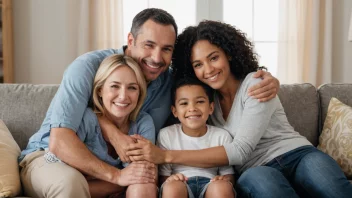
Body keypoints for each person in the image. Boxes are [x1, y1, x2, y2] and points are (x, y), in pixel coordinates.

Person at [19, 8, 279, 196]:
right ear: (130, 40)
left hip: (121, 170)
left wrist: (260, 77)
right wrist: (116, 172)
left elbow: (202, 89)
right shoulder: (87, 68)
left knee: (145, 182)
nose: (157, 58)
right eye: (149, 45)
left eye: (167, 49)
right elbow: (59, 141)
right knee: (68, 184)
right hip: (53, 158)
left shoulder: (167, 82)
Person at [126, 20, 352, 198]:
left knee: (335, 190)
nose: (208, 70)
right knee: (267, 187)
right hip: (255, 170)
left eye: (213, 58)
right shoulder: (204, 103)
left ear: (229, 54)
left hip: (298, 154)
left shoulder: (256, 85)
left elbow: (240, 150)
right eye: (198, 64)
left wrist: (165, 155)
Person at [20, 54, 157, 197]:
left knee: (144, 183)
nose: (123, 96)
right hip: (48, 161)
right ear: (100, 90)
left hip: (87, 183)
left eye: (132, 88)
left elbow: (140, 175)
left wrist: (104, 177)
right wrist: (118, 178)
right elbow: (65, 169)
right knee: (71, 181)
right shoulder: (87, 119)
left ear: (140, 92)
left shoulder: (143, 123)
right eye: (115, 86)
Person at [158, 77, 235, 198]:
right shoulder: (166, 134)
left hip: (211, 183)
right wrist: (171, 178)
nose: (192, 108)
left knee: (221, 187)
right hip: (181, 183)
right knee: (172, 187)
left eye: (199, 101)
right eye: (184, 103)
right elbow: (164, 175)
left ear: (211, 108)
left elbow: (228, 174)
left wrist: (224, 180)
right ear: (174, 111)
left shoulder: (222, 136)